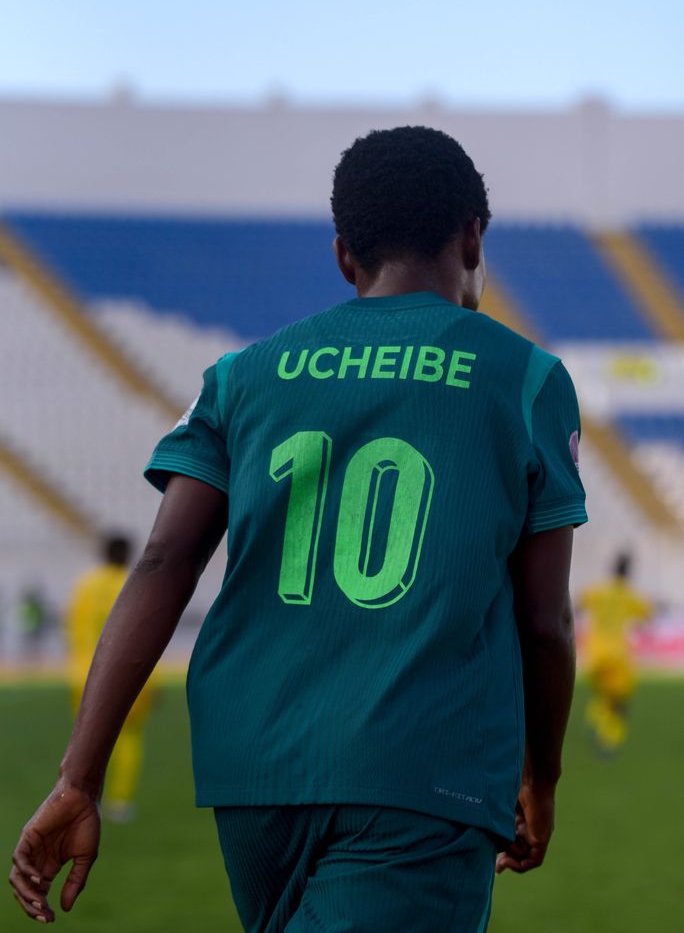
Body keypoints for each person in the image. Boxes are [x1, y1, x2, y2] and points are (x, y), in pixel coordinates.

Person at [10, 126, 587, 931]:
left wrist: (78, 777)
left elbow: (165, 561)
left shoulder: (242, 375)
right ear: (473, 237)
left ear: (344, 255)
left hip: (254, 776)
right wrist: (543, 774)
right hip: (422, 771)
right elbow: (545, 618)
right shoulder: (526, 378)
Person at [64, 534, 156, 821]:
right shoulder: (132, 585)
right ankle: (120, 802)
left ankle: (84, 796)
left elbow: (73, 628)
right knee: (128, 737)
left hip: (84, 674)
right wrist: (153, 679)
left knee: (87, 741)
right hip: (127, 674)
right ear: (127, 554)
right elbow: (145, 635)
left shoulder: (86, 585)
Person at [581, 552, 651, 754]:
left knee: (604, 693)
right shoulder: (630, 596)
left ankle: (594, 719)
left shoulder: (598, 591)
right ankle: (608, 740)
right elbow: (648, 614)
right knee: (620, 702)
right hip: (617, 655)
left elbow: (578, 602)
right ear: (628, 572)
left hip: (595, 654)